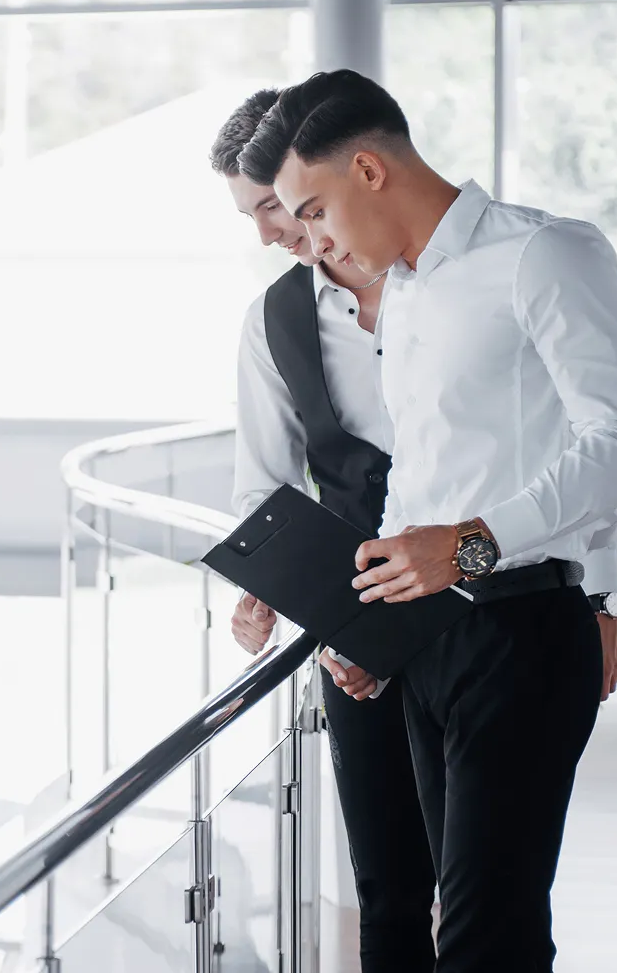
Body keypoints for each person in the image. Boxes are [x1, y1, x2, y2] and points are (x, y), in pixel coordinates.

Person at [237, 69, 617, 973]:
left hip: (522, 634)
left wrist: (476, 546)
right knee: (437, 916)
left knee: (486, 935)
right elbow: (416, 489)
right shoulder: (413, 292)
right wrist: (372, 626)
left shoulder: (544, 254)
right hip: (427, 640)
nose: (309, 240)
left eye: (312, 211)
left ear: (368, 170)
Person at [210, 89, 438, 973]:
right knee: (387, 883)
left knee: (487, 886)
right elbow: (263, 487)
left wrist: (599, 596)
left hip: (486, 596)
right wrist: (265, 589)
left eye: (275, 203)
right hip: (356, 630)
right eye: (254, 214)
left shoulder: (448, 281)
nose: (272, 230)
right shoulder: (274, 320)